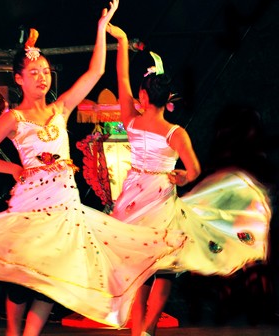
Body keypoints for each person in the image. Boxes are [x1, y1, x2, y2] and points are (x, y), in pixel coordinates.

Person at [0, 0, 190, 335]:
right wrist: (14, 170)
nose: (41, 78)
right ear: (19, 80)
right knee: (23, 279)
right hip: (31, 206)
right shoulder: (13, 118)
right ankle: (15, 333)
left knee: (57, 277)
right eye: (33, 73)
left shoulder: (61, 108)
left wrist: (102, 29)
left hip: (65, 207)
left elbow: (96, 72)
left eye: (45, 72)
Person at [107, 22, 272, 336]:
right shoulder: (175, 133)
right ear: (168, 98)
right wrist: (181, 178)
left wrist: (122, 41)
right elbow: (193, 171)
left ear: (142, 95)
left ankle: (136, 329)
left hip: (132, 200)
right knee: (165, 269)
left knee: (142, 268)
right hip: (159, 198)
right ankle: (148, 329)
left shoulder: (130, 120)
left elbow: (122, 78)